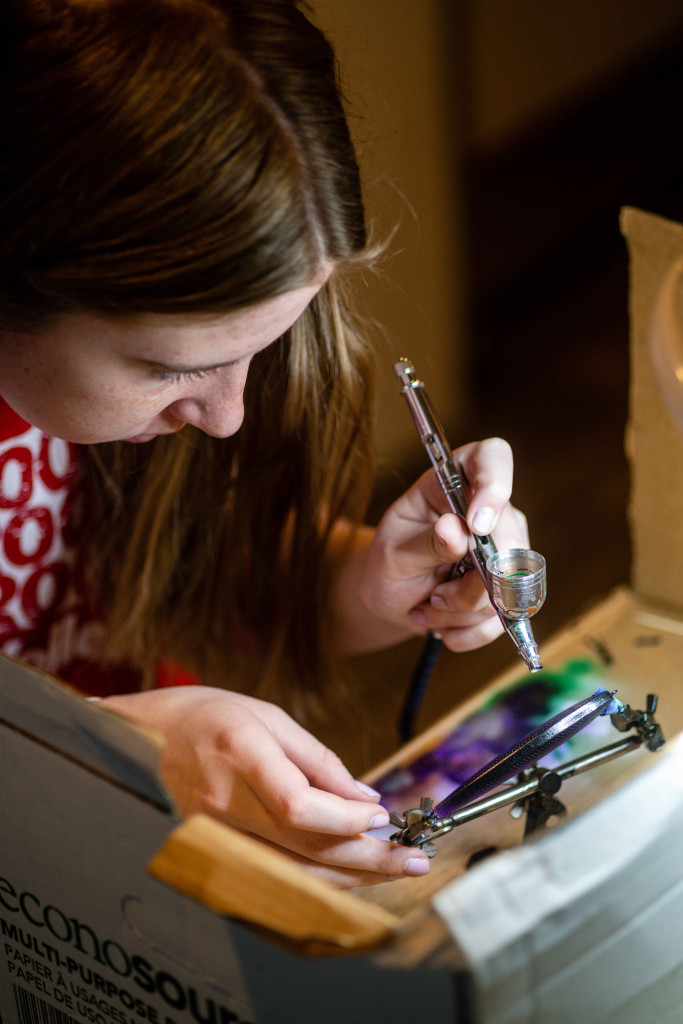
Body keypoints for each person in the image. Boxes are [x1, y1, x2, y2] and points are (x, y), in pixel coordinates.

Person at [0, 0, 529, 888]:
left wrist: (368, 584)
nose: (226, 416)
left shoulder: (107, 402)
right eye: (171, 367)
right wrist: (92, 756)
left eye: (261, 348)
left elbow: (193, 573)